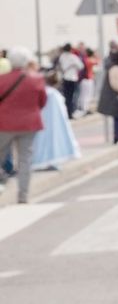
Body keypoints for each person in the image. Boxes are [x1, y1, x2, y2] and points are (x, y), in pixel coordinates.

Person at [0, 47, 49, 204]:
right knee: (25, 159)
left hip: (5, 124)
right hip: (29, 124)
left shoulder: (2, 80)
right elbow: (42, 101)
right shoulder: (36, 79)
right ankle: (23, 196)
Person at [30, 66, 82, 172]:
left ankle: (43, 161)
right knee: (50, 142)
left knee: (41, 143)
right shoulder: (53, 94)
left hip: (42, 123)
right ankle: (49, 161)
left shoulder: (47, 93)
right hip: (49, 124)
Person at [55, 43, 84, 118]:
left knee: (67, 96)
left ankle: (67, 113)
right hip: (72, 78)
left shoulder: (62, 56)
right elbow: (81, 66)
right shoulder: (73, 57)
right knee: (73, 96)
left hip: (65, 78)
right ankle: (71, 112)